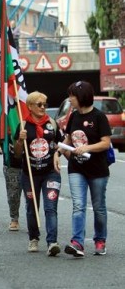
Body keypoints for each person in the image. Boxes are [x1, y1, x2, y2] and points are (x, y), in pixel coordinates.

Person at [60, 81, 111, 257]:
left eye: (72, 96)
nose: (69, 99)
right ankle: (77, 243)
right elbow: (68, 138)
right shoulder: (73, 116)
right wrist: (58, 151)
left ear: (81, 97)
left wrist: (87, 148)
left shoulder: (99, 117)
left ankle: (100, 240)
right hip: (76, 168)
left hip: (98, 170)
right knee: (78, 205)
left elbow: (106, 143)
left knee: (98, 207)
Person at [13, 91, 61, 257]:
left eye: (45, 104)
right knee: (32, 208)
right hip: (30, 175)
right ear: (30, 107)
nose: (43, 107)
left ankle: (52, 242)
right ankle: (33, 238)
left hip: (50, 173)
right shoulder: (23, 126)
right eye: (39, 104)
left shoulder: (52, 124)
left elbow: (60, 145)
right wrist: (20, 140)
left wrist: (57, 154)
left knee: (50, 207)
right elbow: (18, 154)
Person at [0, 132, 23, 232]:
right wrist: (1, 145)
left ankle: (32, 221)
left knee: (31, 195)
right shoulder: (7, 118)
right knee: (13, 194)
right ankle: (14, 218)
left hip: (31, 163)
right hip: (11, 164)